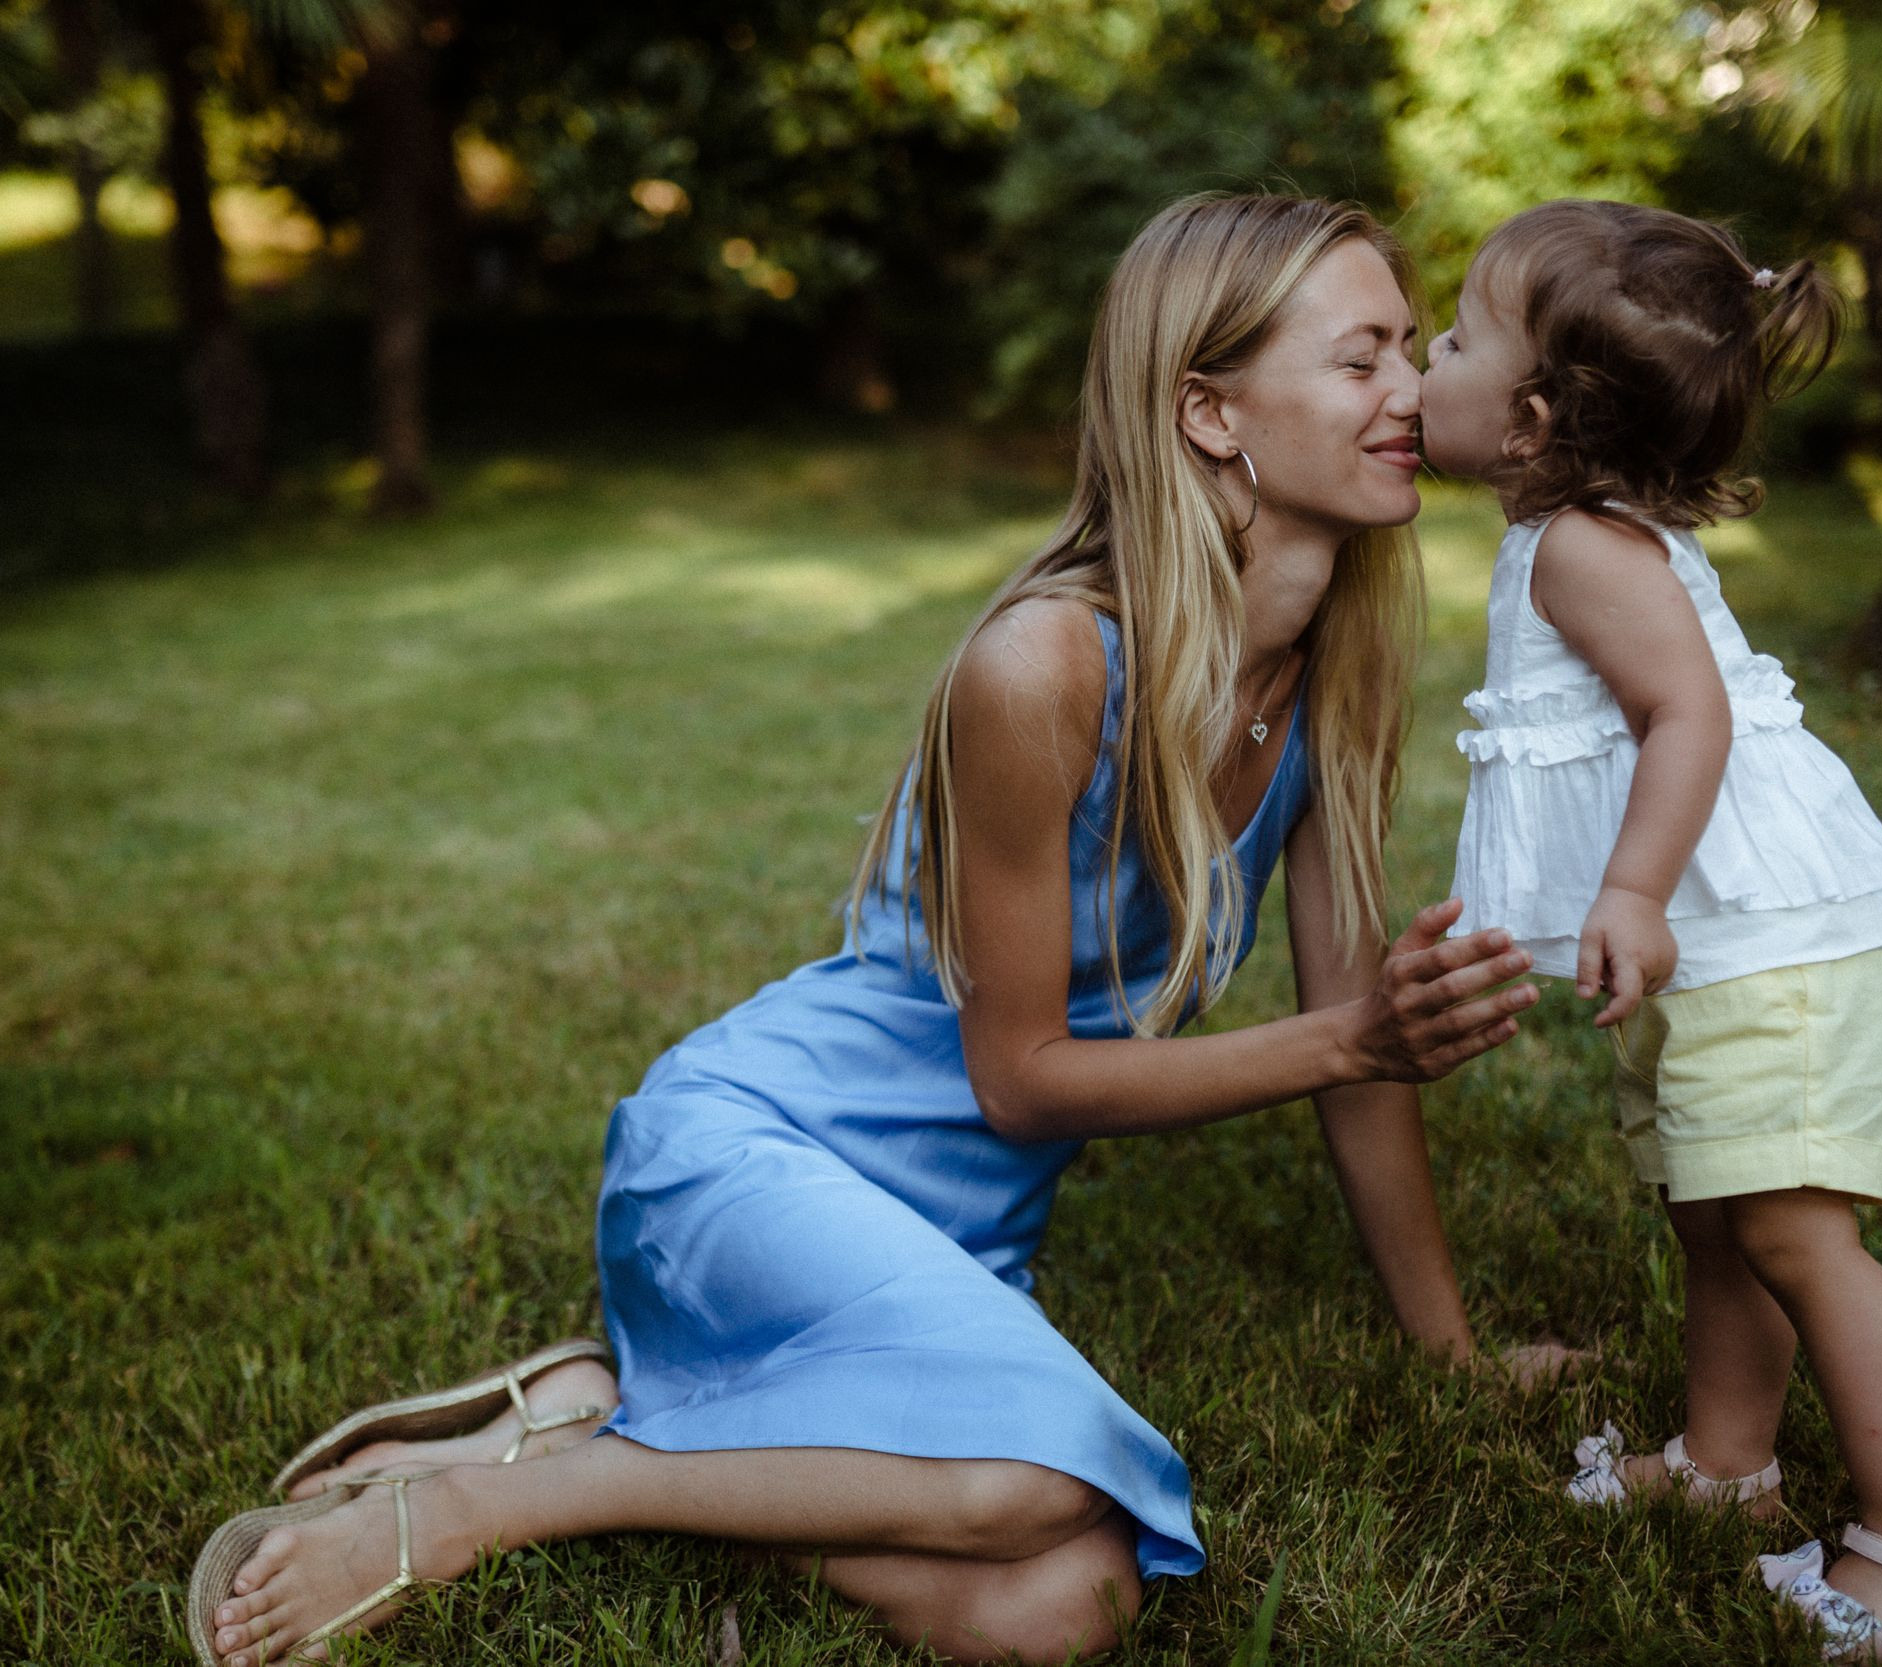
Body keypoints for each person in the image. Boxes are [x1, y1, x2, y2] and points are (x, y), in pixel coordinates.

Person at [192, 194, 1541, 1667]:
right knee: (1051, 1477)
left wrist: (1452, 1359)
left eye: (1413, 349)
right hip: (755, 1158)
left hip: (957, 1239)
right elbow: (1023, 1078)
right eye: (1363, 361)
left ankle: (602, 1413)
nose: (1415, 390)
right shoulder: (1041, 666)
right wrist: (1349, 1035)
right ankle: (494, 1506)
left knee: (1068, 1601)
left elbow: (1362, 1061)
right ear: (1209, 411)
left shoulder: (1332, 672)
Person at [1419, 198, 1882, 1658]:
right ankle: (1728, 1466)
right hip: (1731, 957)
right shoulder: (1566, 535)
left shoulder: (1581, 549)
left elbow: (1684, 710)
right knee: (1715, 1221)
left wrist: (1628, 896)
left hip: (1773, 956)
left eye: (1449, 338)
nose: (1420, 362)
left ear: (1531, 421)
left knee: (1801, 1240)